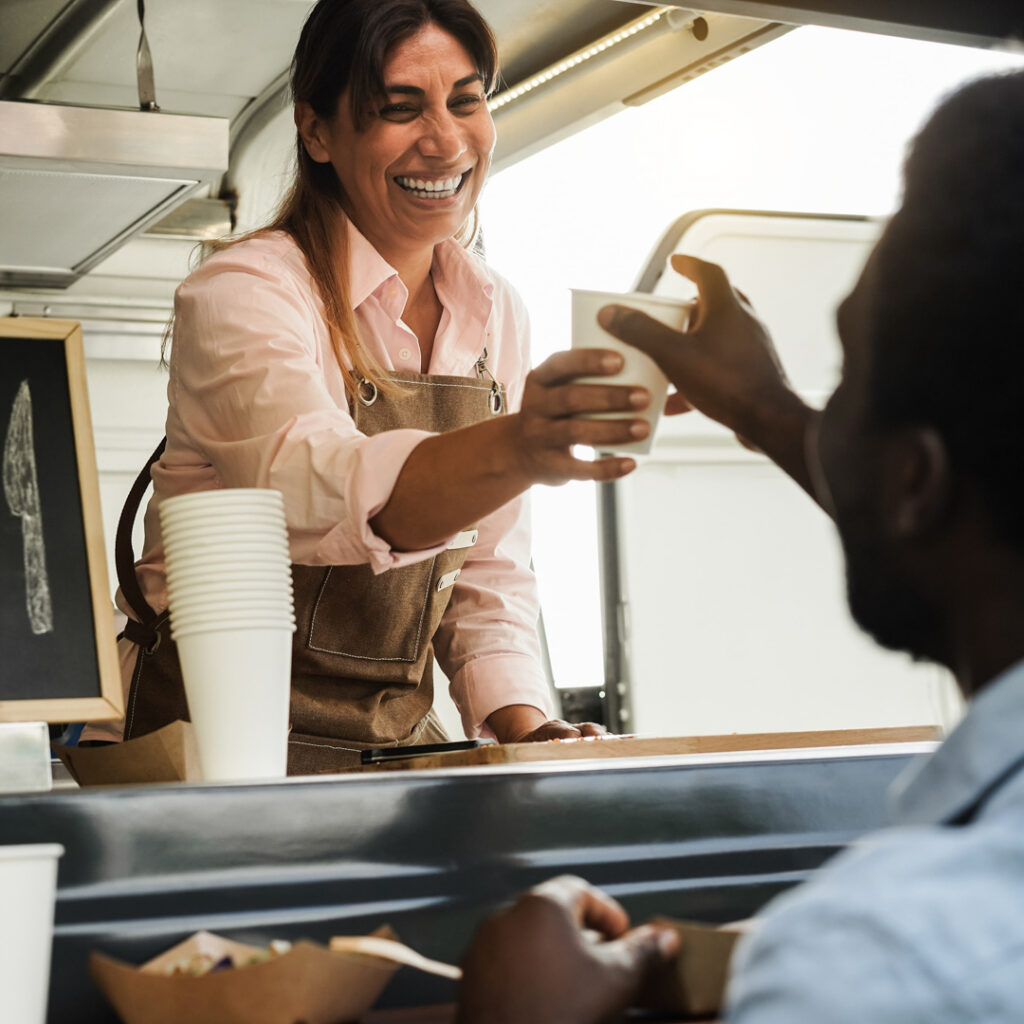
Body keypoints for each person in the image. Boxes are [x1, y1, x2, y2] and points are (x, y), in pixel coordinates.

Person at [457, 68, 1024, 1022]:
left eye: (843, 376)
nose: (828, 411)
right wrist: (763, 410)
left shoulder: (879, 959)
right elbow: (902, 499)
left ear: (916, 481)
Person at [103, 0, 653, 770]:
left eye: (467, 100)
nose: (447, 140)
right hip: (209, 749)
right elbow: (318, 481)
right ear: (317, 131)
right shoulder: (245, 291)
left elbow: (487, 566)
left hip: (387, 749)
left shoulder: (496, 312)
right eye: (400, 110)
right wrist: (522, 444)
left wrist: (528, 728)